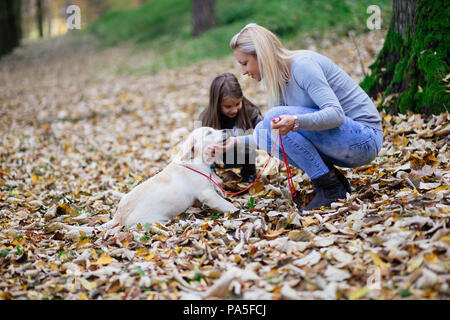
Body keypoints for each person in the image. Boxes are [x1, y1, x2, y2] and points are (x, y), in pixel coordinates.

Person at [217, 23, 383, 212]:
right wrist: (235, 142)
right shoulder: (278, 79)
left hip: (365, 139)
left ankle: (330, 189)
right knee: (266, 126)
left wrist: (296, 121)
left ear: (261, 55)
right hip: (344, 144)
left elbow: (336, 114)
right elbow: (269, 133)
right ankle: (333, 184)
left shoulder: (303, 65)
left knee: (273, 118)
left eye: (244, 63)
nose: (243, 71)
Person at [199, 72, 263, 184]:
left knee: (246, 139)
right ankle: (212, 173)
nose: (234, 110)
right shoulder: (207, 118)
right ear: (217, 104)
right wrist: (211, 172)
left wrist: (275, 152)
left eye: (238, 104)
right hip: (218, 157)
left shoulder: (249, 111)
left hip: (243, 154)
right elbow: (199, 147)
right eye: (228, 106)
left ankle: (249, 173)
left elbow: (264, 132)